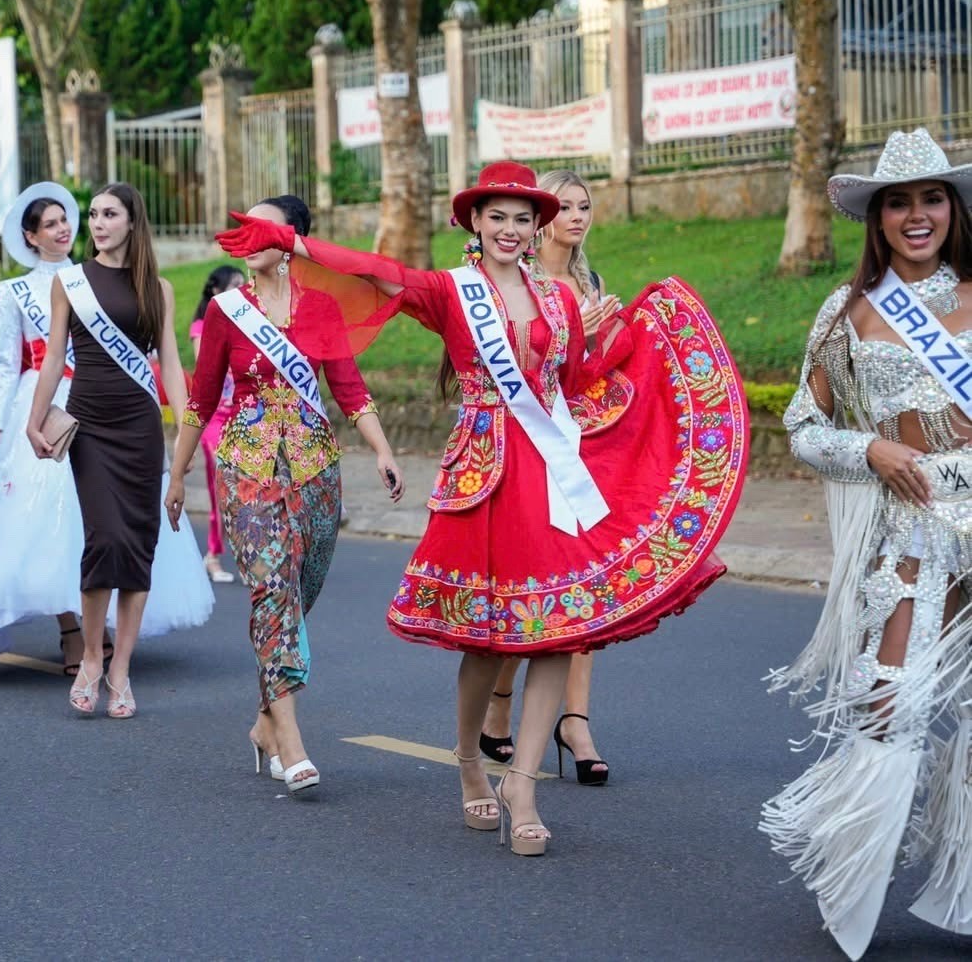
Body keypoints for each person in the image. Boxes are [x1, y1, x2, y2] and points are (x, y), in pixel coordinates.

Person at [217, 160, 746, 854]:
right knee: (484, 642)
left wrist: (620, 341)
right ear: (474, 221)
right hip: (485, 475)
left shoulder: (558, 299)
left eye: (523, 219)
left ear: (536, 229)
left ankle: (521, 783)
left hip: (551, 476)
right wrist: (293, 243)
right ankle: (470, 760)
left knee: (559, 626)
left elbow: (574, 381)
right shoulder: (449, 291)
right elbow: (378, 272)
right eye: (497, 217)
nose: (510, 229)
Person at [761, 128, 972, 959]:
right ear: (877, 218)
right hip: (914, 528)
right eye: (899, 202)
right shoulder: (847, 311)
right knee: (891, 703)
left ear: (953, 209)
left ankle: (966, 891)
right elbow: (803, 426)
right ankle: (852, 884)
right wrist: (872, 449)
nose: (917, 215)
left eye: (931, 198)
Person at [167, 196, 404, 794]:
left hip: (315, 467)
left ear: (293, 240)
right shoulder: (225, 311)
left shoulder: (321, 308)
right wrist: (177, 473)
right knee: (272, 588)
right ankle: (291, 742)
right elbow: (200, 398)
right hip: (247, 466)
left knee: (299, 593)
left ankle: (265, 721)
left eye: (263, 229)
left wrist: (382, 449)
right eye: (243, 228)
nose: (248, 239)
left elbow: (349, 389)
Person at [0, 184, 212, 672]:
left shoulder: (104, 278)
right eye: (50, 224)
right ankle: (71, 630)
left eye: (66, 220)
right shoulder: (15, 291)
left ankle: (104, 630)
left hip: (111, 400)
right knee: (48, 524)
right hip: (48, 405)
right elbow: (5, 365)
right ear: (31, 236)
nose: (64, 229)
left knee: (109, 520)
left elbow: (157, 354)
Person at [27, 182, 191, 719]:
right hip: (91, 426)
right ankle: (92, 658)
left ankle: (121, 666)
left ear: (131, 221)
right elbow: (54, 357)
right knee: (105, 539)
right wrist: (34, 420)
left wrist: (186, 434)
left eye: (109, 214)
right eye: (93, 214)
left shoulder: (158, 289)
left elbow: (170, 363)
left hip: (140, 426)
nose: (97, 223)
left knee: (139, 544)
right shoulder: (69, 282)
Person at [480, 169, 623, 784]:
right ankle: (498, 705)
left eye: (584, 206)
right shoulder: (520, 279)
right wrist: (577, 334)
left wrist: (606, 336)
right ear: (542, 217)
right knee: (533, 589)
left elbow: (598, 369)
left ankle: (576, 721)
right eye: (564, 206)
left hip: (585, 444)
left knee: (584, 585)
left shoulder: (592, 282)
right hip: (532, 446)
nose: (577, 216)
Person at [189, 264, 246, 583]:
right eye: (234, 285)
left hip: (243, 416)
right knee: (220, 487)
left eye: (243, 284)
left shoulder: (250, 323)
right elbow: (207, 366)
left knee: (247, 489)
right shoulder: (202, 325)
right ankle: (212, 555)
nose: (241, 290)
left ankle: (251, 554)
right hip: (215, 419)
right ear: (216, 291)